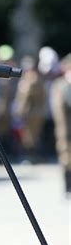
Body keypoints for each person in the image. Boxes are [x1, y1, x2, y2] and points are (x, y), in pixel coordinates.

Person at [50, 54, 71, 195]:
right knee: (66, 156)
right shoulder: (60, 85)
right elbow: (58, 111)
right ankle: (67, 185)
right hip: (66, 128)